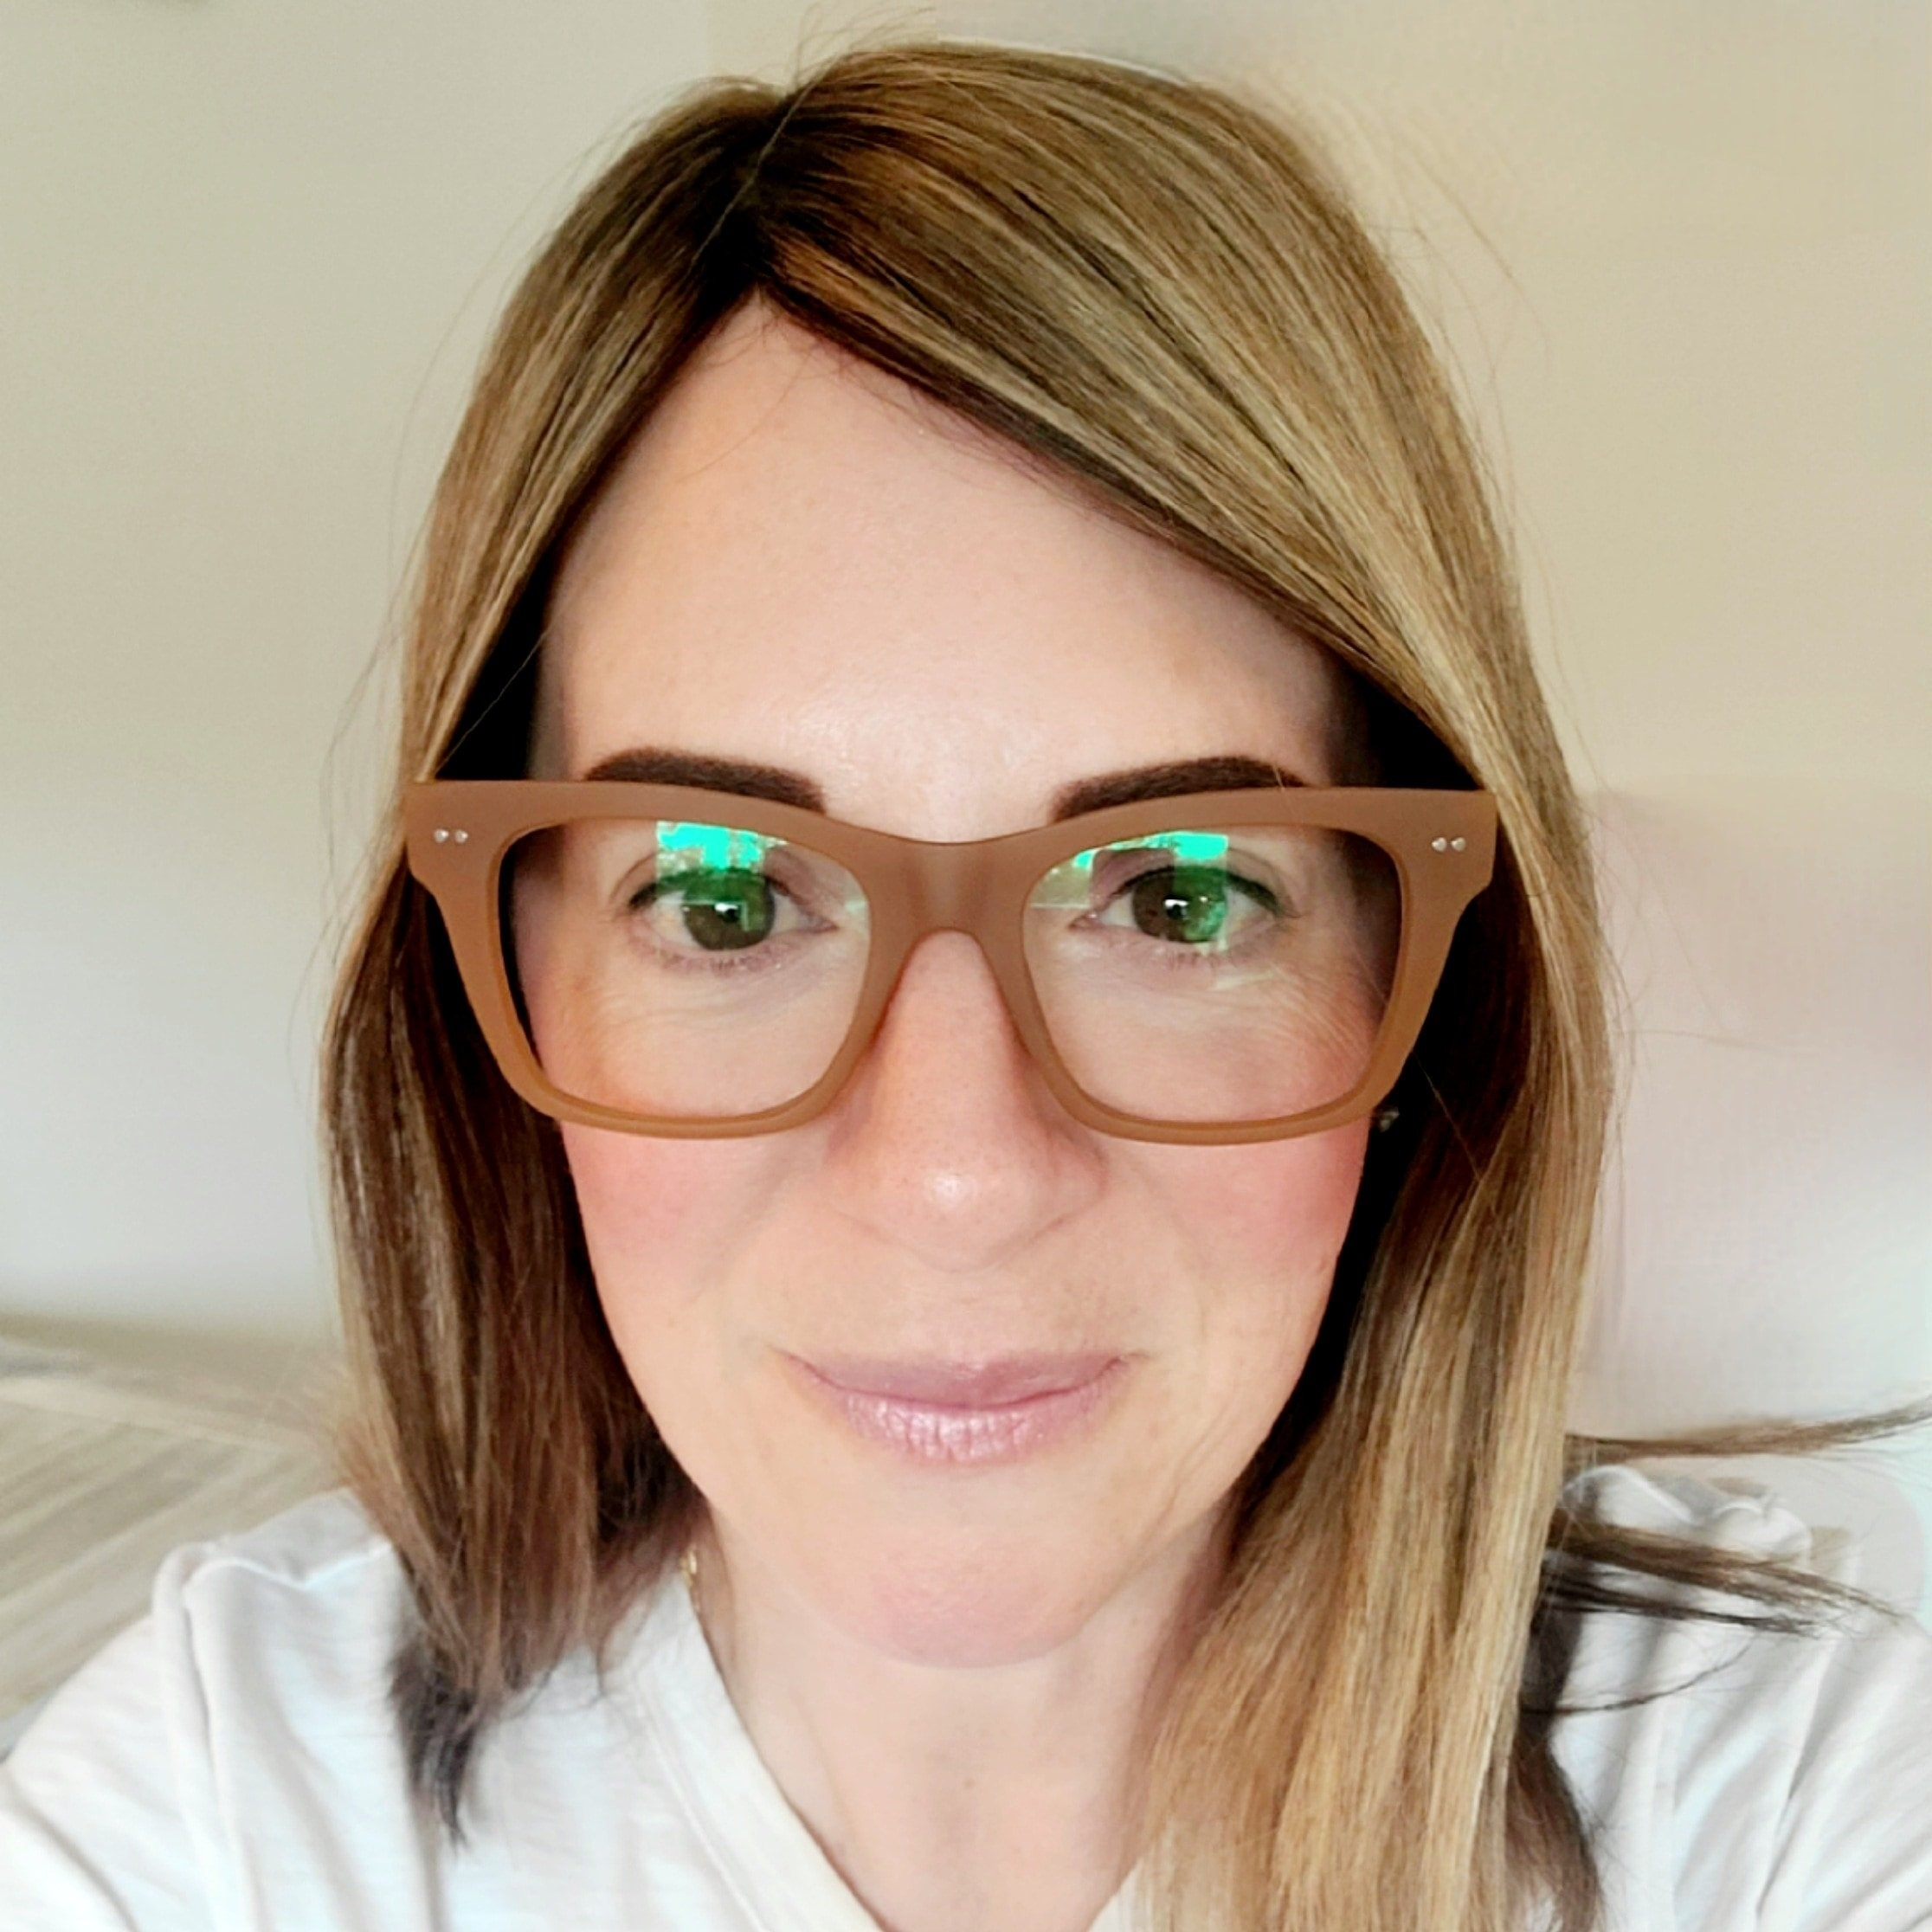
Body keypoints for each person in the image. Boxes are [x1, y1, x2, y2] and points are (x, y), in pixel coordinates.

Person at [3, 37, 1928, 1932]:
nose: (957, 1176)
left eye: (1177, 897)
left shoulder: (1786, 1792)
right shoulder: (226, 1814)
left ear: (1422, 997)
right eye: (727, 902)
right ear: (497, 993)